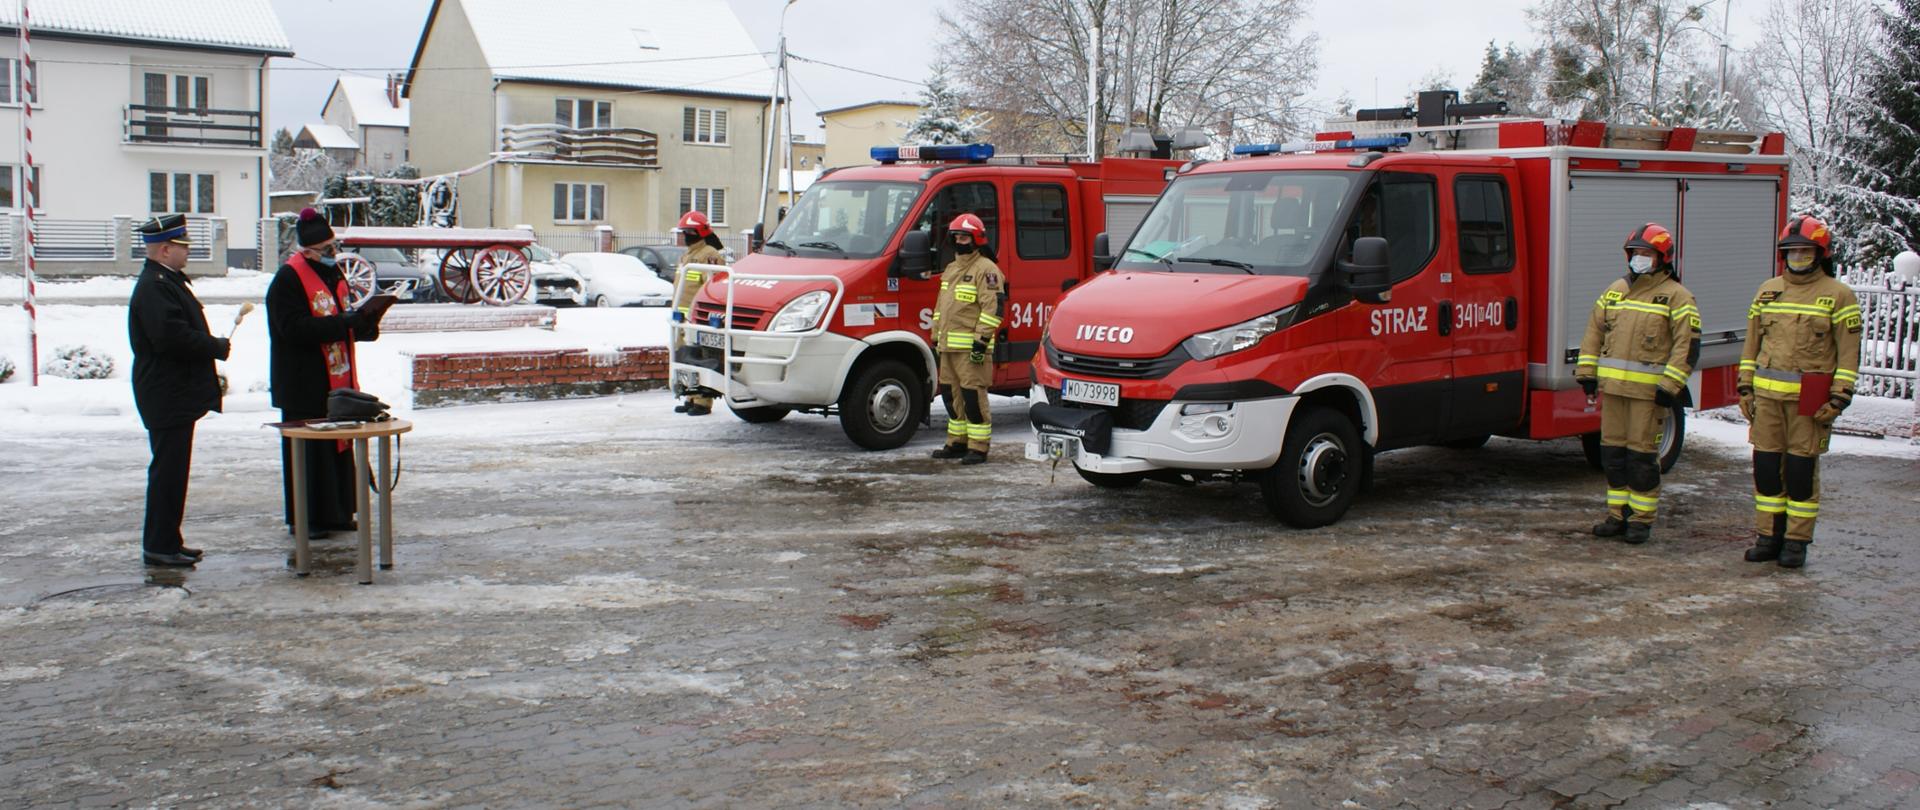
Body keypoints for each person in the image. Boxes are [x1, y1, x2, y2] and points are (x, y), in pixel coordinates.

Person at [1736, 215, 1863, 569]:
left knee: (1800, 473)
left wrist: (1839, 396)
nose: (1798, 257)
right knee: (1765, 469)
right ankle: (1768, 537)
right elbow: (1751, 345)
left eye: (1806, 251)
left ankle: (1796, 542)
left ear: (1821, 254)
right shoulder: (1768, 291)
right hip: (1767, 402)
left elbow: (1848, 353)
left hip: (1810, 402)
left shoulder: (1838, 295)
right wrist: (1745, 387)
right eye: (1792, 251)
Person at [266, 208, 393, 537]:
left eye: (334, 246)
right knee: (309, 456)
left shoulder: (333, 272)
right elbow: (292, 329)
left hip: (335, 378)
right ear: (307, 251)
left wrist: (365, 322)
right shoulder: (288, 279)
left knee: (337, 449)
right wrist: (342, 323)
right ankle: (306, 518)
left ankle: (337, 512)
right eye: (326, 249)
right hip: (303, 381)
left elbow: (342, 315)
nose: (333, 253)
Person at [1574, 223, 1701, 545]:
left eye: (1646, 253)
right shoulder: (1616, 290)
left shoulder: (1678, 297)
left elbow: (1686, 347)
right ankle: (1617, 516)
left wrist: (1670, 388)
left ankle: (1641, 520)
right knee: (1613, 456)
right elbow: (1594, 331)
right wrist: (1587, 373)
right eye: (1635, 253)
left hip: (1648, 397)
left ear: (1662, 258)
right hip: (1614, 392)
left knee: (1641, 460)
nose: (1639, 259)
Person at [127, 214, 230, 567]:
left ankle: (169, 540)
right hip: (166, 394)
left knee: (173, 472)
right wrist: (214, 346)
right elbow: (170, 337)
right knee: (167, 473)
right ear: (165, 250)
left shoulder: (165, 281)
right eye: (182, 246)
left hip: (172, 393)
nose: (187, 252)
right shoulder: (155, 286)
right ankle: (159, 545)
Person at [927, 213, 1004, 465]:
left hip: (972, 349)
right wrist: (935, 336)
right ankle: (957, 442)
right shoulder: (951, 269)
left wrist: (981, 342)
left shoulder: (987, 270)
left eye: (964, 237)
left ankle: (978, 447)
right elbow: (941, 307)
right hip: (948, 347)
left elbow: (992, 309)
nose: (960, 241)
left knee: (973, 398)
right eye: (956, 237)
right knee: (951, 398)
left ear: (977, 239)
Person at [670, 210, 727, 416]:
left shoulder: (709, 255)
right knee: (685, 357)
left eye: (688, 232)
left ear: (699, 233)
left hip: (697, 319)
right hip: (681, 318)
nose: (685, 236)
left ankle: (703, 402)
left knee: (700, 357)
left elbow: (715, 289)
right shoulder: (688, 255)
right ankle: (690, 397)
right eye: (683, 232)